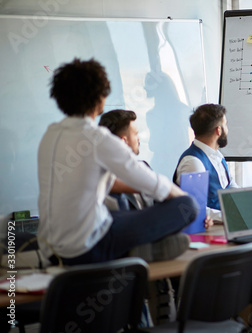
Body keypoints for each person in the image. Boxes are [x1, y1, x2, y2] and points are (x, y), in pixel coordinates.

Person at [37, 58, 198, 266]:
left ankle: (139, 247)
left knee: (119, 216)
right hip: (87, 248)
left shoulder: (50, 134)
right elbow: (157, 186)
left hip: (50, 249)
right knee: (187, 206)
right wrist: (185, 198)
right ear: (101, 98)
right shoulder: (98, 138)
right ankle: (137, 250)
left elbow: (107, 183)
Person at [173, 103, 252, 333]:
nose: (227, 129)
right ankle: (244, 324)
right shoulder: (193, 161)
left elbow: (234, 192)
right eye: (226, 124)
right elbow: (194, 210)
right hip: (210, 238)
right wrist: (233, 216)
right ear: (218, 131)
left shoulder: (217, 157)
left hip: (232, 230)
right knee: (251, 259)